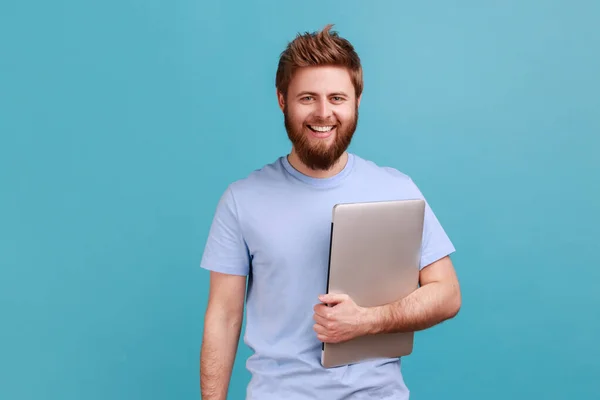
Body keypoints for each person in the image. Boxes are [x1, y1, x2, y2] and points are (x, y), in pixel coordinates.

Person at [199, 24, 461, 400]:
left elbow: (447, 294)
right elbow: (223, 317)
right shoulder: (242, 200)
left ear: (357, 102)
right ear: (281, 100)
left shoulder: (396, 189)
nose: (324, 113)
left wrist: (368, 320)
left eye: (337, 98)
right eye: (308, 97)